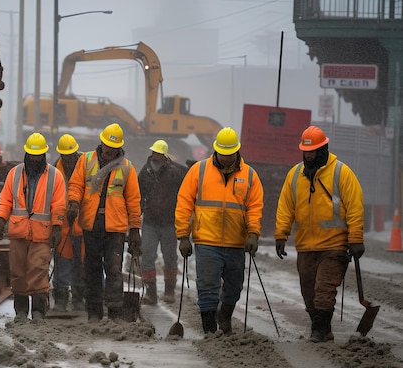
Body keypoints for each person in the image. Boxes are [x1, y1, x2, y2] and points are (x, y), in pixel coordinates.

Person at [275, 125, 364, 343]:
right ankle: (323, 329)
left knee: (324, 290)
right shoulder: (295, 175)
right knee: (309, 293)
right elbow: (286, 207)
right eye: (306, 152)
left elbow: (354, 207)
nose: (309, 155)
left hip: (334, 247)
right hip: (306, 246)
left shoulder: (342, 173)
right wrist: (281, 235)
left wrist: (356, 239)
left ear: (323, 149)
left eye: (313, 151)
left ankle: (318, 330)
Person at [175, 127, 264, 335]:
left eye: (229, 154)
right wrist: (182, 236)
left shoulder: (250, 175)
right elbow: (184, 203)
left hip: (236, 242)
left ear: (237, 151)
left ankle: (224, 315)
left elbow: (255, 207)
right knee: (207, 285)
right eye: (222, 153)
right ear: (215, 150)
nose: (225, 158)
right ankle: (209, 330)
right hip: (207, 240)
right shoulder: (199, 170)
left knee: (234, 287)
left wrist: (253, 233)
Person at [66, 123, 142, 322]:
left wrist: (134, 229)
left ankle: (115, 312)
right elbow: (75, 184)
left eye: (112, 147)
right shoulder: (86, 160)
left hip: (115, 228)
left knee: (114, 269)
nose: (108, 150)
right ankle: (94, 312)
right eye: (107, 145)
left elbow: (134, 201)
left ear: (119, 148)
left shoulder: (126, 168)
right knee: (91, 269)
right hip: (91, 224)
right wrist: (73, 203)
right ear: (101, 142)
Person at [0, 133, 67, 322]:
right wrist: (1, 218)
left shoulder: (54, 176)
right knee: (18, 272)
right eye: (32, 155)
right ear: (27, 154)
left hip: (42, 233)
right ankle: (20, 311)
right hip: (19, 232)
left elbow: (59, 204)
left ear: (44, 155)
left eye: (39, 155)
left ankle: (38, 311)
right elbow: (6, 199)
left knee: (38, 270)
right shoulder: (15, 173)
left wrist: (57, 226)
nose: (35, 159)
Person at [138, 140, 188, 304]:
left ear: (165, 155)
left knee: (170, 257)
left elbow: (187, 192)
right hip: (150, 222)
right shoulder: (145, 172)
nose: (156, 156)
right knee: (147, 256)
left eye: (159, 153)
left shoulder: (177, 172)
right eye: (155, 153)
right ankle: (151, 293)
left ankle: (169, 292)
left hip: (169, 223)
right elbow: (137, 196)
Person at [52, 134, 86, 312]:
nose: (68, 158)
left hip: (83, 224)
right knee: (63, 263)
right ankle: (61, 298)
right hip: (63, 224)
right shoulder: (54, 171)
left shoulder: (87, 167)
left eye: (71, 155)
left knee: (81, 264)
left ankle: (79, 298)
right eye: (65, 155)